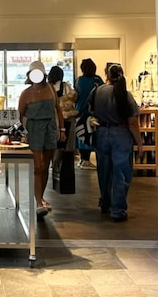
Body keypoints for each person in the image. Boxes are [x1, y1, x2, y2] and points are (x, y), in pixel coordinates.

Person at [91, 63, 143, 222]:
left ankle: (105, 202)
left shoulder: (97, 91)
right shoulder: (125, 94)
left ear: (106, 75)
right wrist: (139, 143)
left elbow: (89, 110)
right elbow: (132, 122)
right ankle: (118, 210)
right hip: (121, 135)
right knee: (121, 172)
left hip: (101, 133)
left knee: (104, 171)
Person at [18, 61, 65, 218]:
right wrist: (22, 134)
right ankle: (38, 202)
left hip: (50, 129)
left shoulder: (50, 89)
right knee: (38, 166)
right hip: (34, 131)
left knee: (46, 166)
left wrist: (62, 129)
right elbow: (19, 116)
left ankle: (41, 197)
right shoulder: (26, 94)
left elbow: (58, 110)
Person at [47, 65, 78, 193]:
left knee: (54, 147)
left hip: (52, 122)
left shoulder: (47, 87)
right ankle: (60, 172)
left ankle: (53, 165)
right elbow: (74, 97)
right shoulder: (66, 87)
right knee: (65, 150)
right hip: (67, 121)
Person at [74, 58, 104, 168]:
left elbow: (75, 95)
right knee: (91, 135)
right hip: (92, 112)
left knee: (81, 134)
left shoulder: (78, 80)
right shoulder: (97, 80)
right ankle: (86, 160)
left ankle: (83, 159)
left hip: (79, 111)